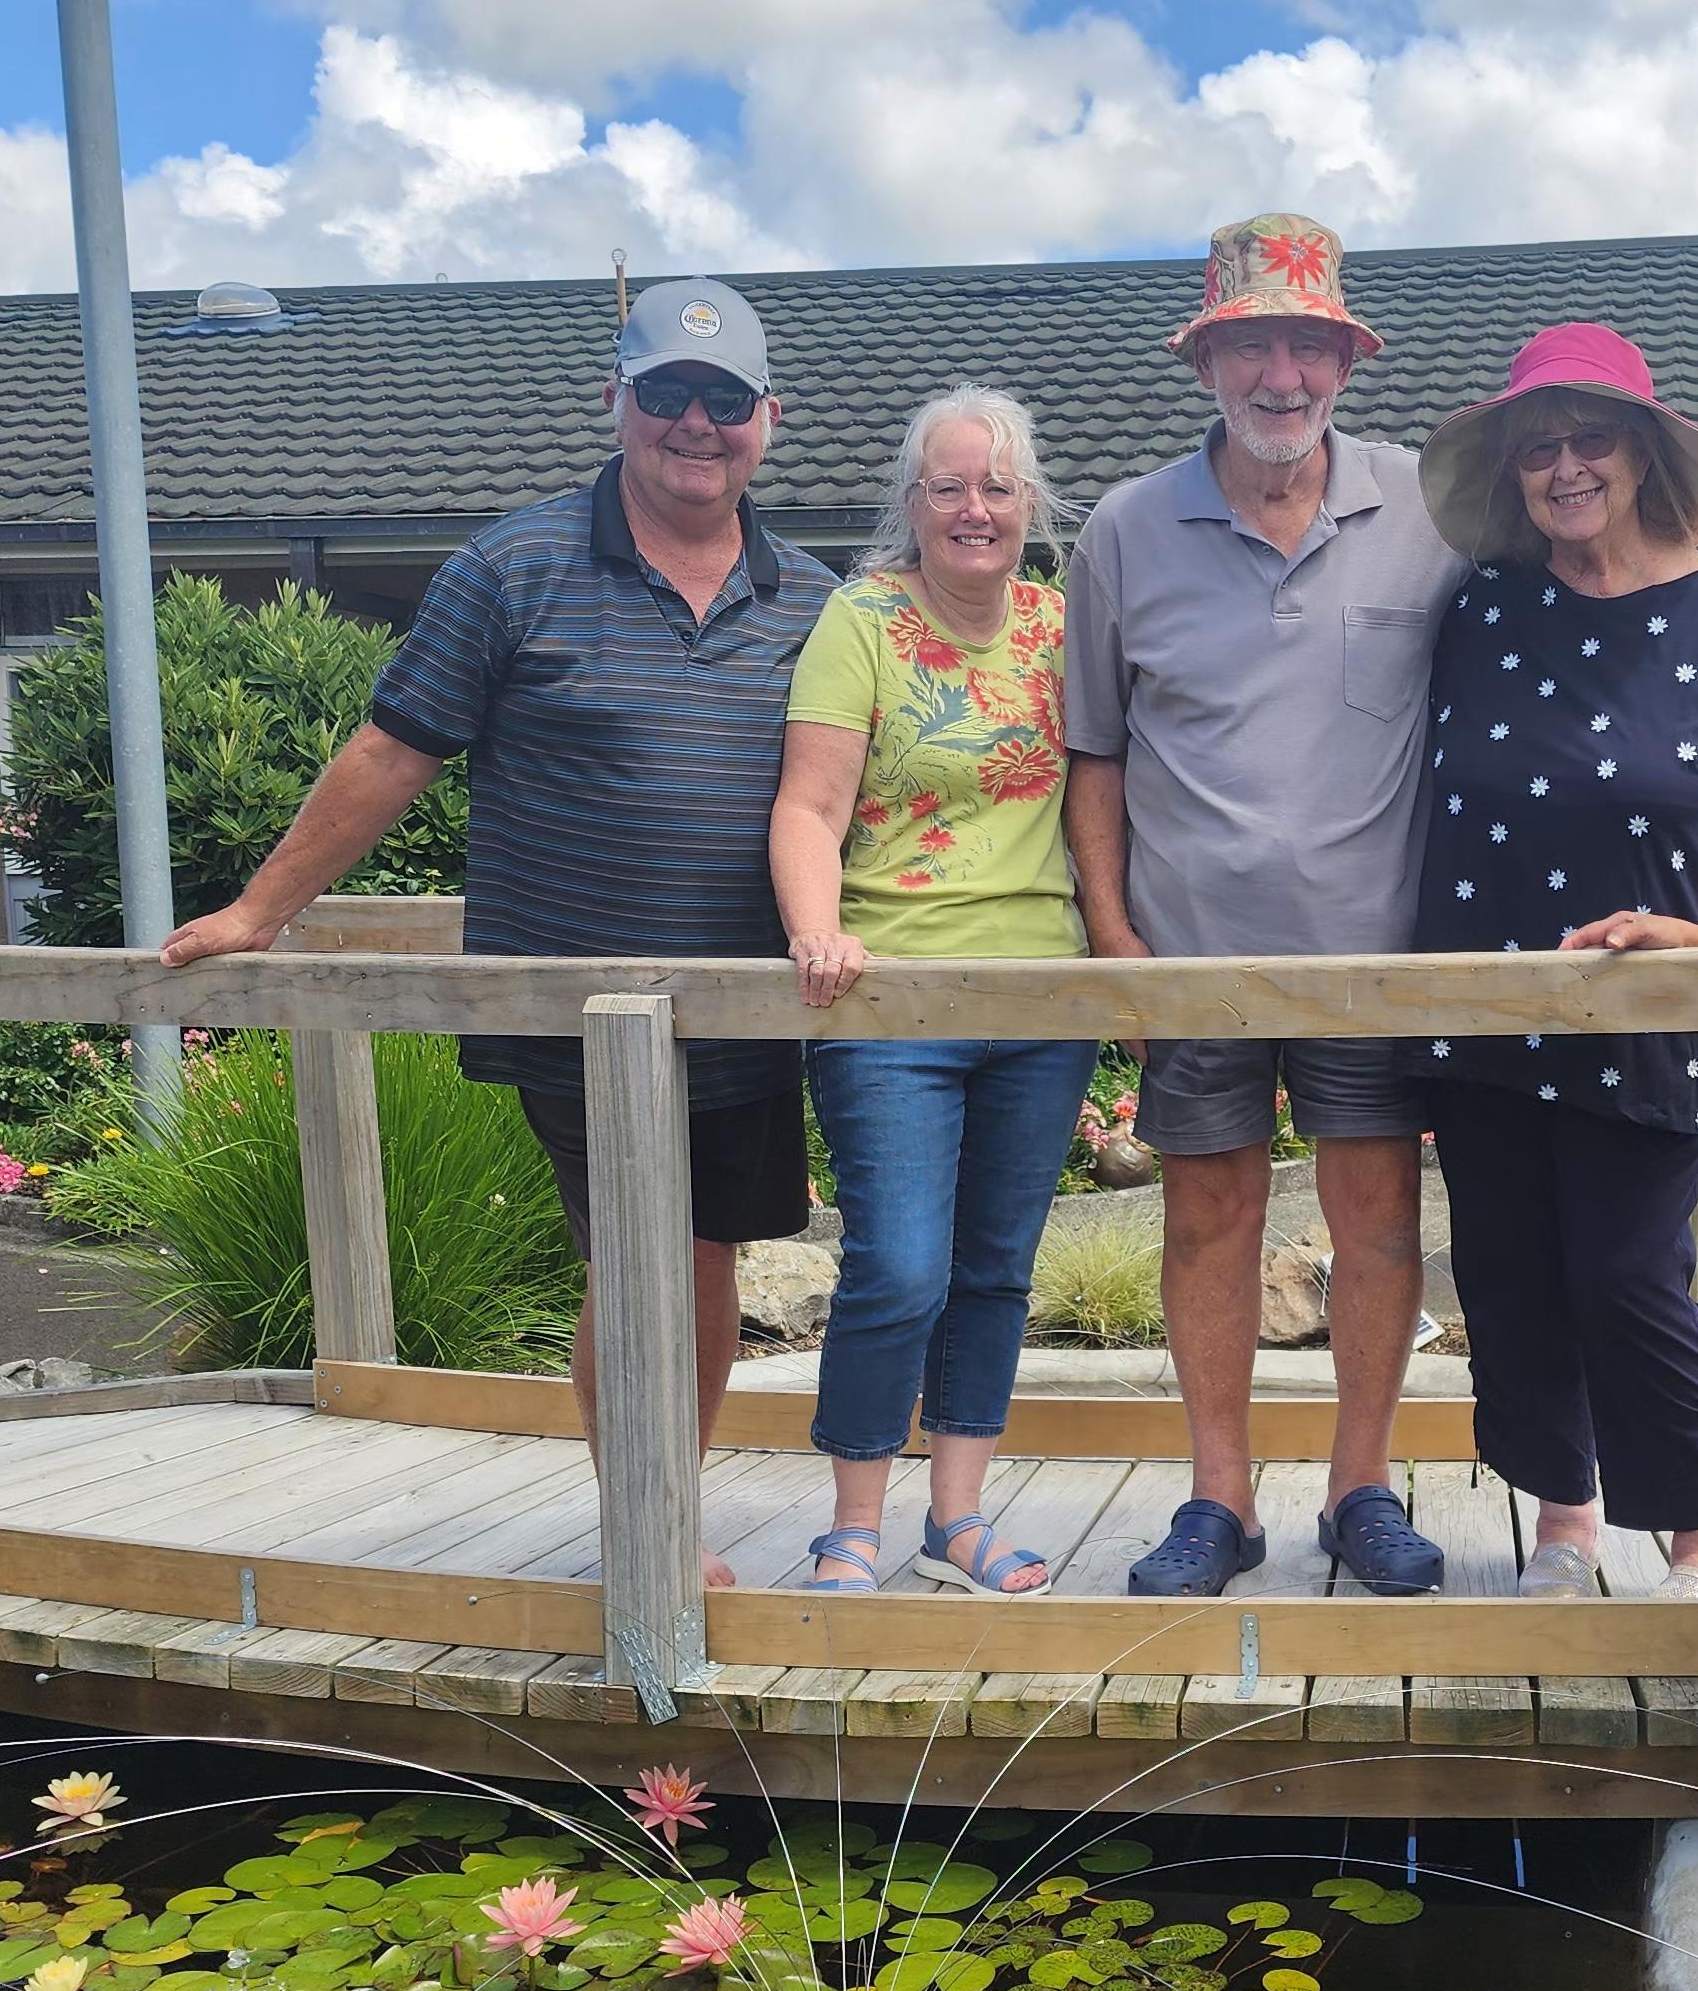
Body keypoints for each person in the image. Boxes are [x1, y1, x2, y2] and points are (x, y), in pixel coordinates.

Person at [1064, 213, 1698, 1600]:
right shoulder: (1125, 529)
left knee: (1384, 1228)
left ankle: (1362, 1490)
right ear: (1207, 363)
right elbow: (1096, 753)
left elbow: (1637, 589)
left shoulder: (1428, 513)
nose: (1279, 374)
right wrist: (1117, 946)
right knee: (1210, 1225)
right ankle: (1218, 1501)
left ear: (1347, 361)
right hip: (1197, 961)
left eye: (1307, 344)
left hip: (1388, 966)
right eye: (1250, 345)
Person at [160, 278, 833, 1589]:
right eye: (666, 396)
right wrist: (259, 910)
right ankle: (647, 1525)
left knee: (703, 1253)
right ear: (615, 404)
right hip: (572, 1007)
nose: (696, 423)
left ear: (767, 421)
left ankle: (666, 1494)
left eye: (726, 401)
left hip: (747, 1012)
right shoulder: (511, 566)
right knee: (633, 1248)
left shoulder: (812, 596)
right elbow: (391, 752)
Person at [1406, 323, 1698, 1598]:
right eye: (1537, 448)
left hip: (1650, 1009)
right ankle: (1560, 1524)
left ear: (1641, 456)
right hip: (1480, 1004)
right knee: (1507, 1276)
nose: (1565, 468)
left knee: (1629, 1279)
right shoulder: (1479, 605)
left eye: (1591, 440)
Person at [767, 387, 1089, 1597]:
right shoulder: (864, 620)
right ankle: (852, 1520)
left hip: (1042, 1001)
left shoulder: (1065, 625)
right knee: (898, 1264)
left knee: (995, 1265)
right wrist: (817, 929)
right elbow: (807, 804)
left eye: (997, 488)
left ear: (1030, 506)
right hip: (888, 1000)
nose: (973, 509)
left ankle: (955, 1519)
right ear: (912, 501)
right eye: (949, 485)